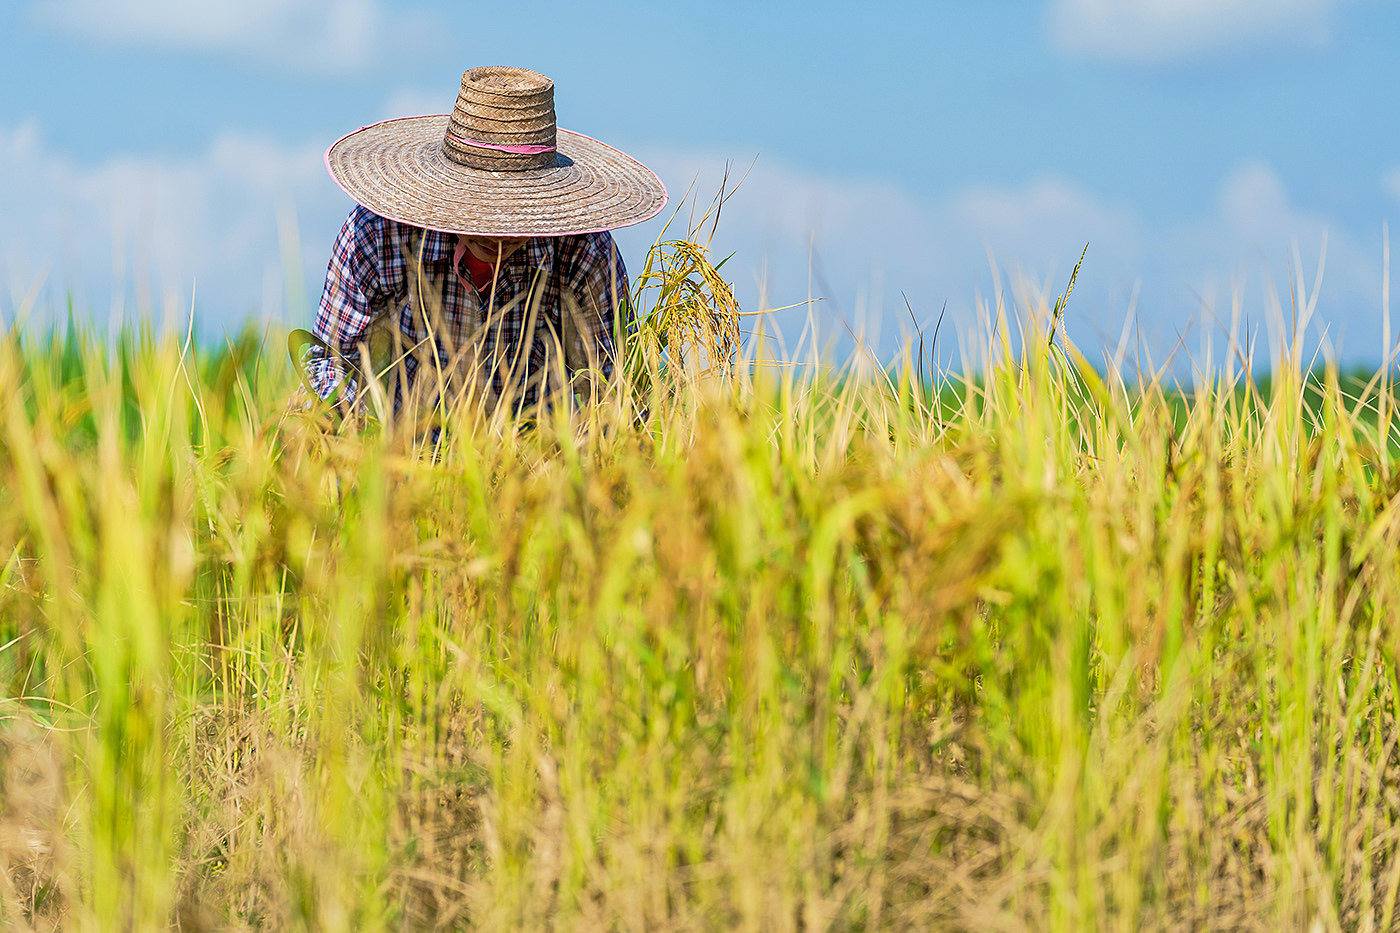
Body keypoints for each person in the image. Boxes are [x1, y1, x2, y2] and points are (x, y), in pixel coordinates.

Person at [300, 65, 667, 420]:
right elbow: (330, 361)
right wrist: (363, 437)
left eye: (517, 212)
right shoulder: (380, 234)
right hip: (401, 454)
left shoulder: (583, 252)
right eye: (483, 207)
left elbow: (615, 384)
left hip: (533, 465)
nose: (497, 233)